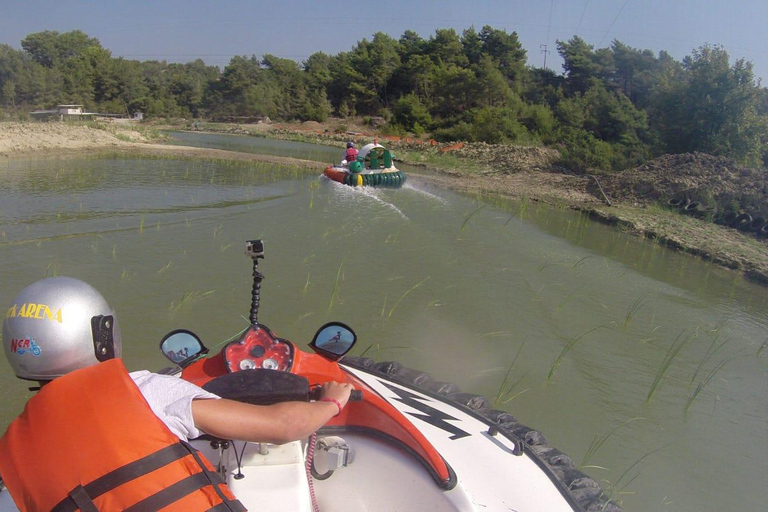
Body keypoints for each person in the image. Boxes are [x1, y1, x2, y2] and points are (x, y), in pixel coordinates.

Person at [0, 276, 353, 511]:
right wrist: (332, 401)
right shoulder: (144, 391)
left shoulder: (12, 451)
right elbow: (283, 426)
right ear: (102, 335)